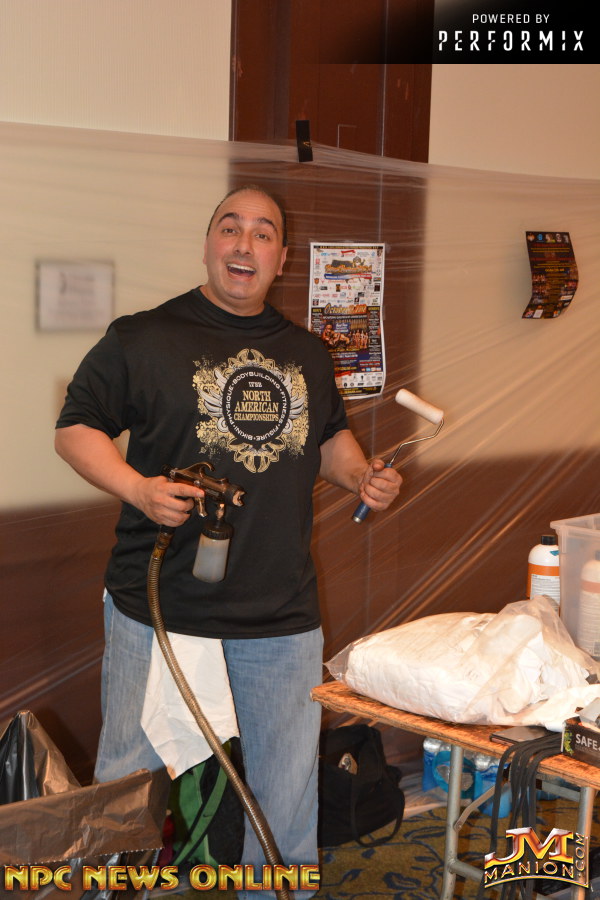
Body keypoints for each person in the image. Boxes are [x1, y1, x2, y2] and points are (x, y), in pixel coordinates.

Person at [55, 185, 401, 896]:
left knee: (286, 790)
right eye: (230, 228)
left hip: (279, 612)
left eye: (263, 233)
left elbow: (329, 439)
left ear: (282, 257)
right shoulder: (143, 337)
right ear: (209, 242)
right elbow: (75, 428)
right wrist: (138, 489)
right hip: (157, 605)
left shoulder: (307, 353)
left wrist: (362, 476)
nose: (245, 245)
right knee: (127, 782)